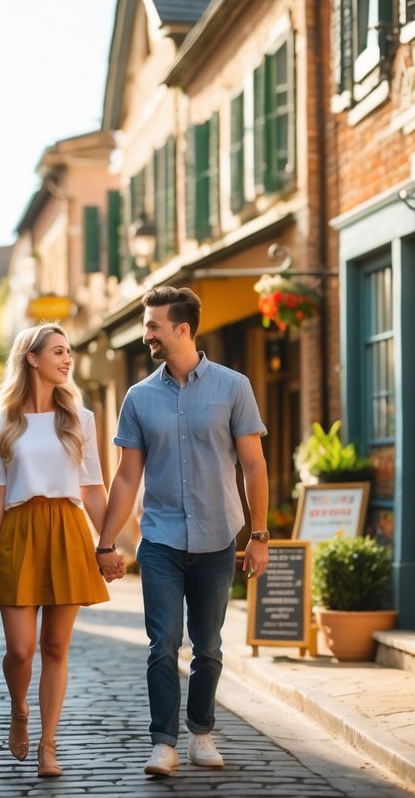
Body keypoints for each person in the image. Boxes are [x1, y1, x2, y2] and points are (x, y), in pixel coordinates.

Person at [95, 286, 270, 777]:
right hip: (161, 541)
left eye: (153, 326)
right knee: (162, 643)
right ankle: (163, 743)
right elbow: (127, 476)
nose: (146, 334)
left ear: (182, 329)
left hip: (218, 536)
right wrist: (107, 542)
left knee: (209, 644)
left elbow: (254, 466)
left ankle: (201, 733)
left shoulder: (234, 387)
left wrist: (259, 535)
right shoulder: (138, 397)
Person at [0, 322, 120, 778]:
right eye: (57, 351)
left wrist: (108, 543)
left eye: (69, 352)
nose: (67, 359)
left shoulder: (81, 417)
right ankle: (19, 708)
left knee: (55, 645)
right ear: (31, 358)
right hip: (19, 531)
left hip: (68, 530)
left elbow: (94, 488)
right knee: (21, 650)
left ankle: (48, 744)